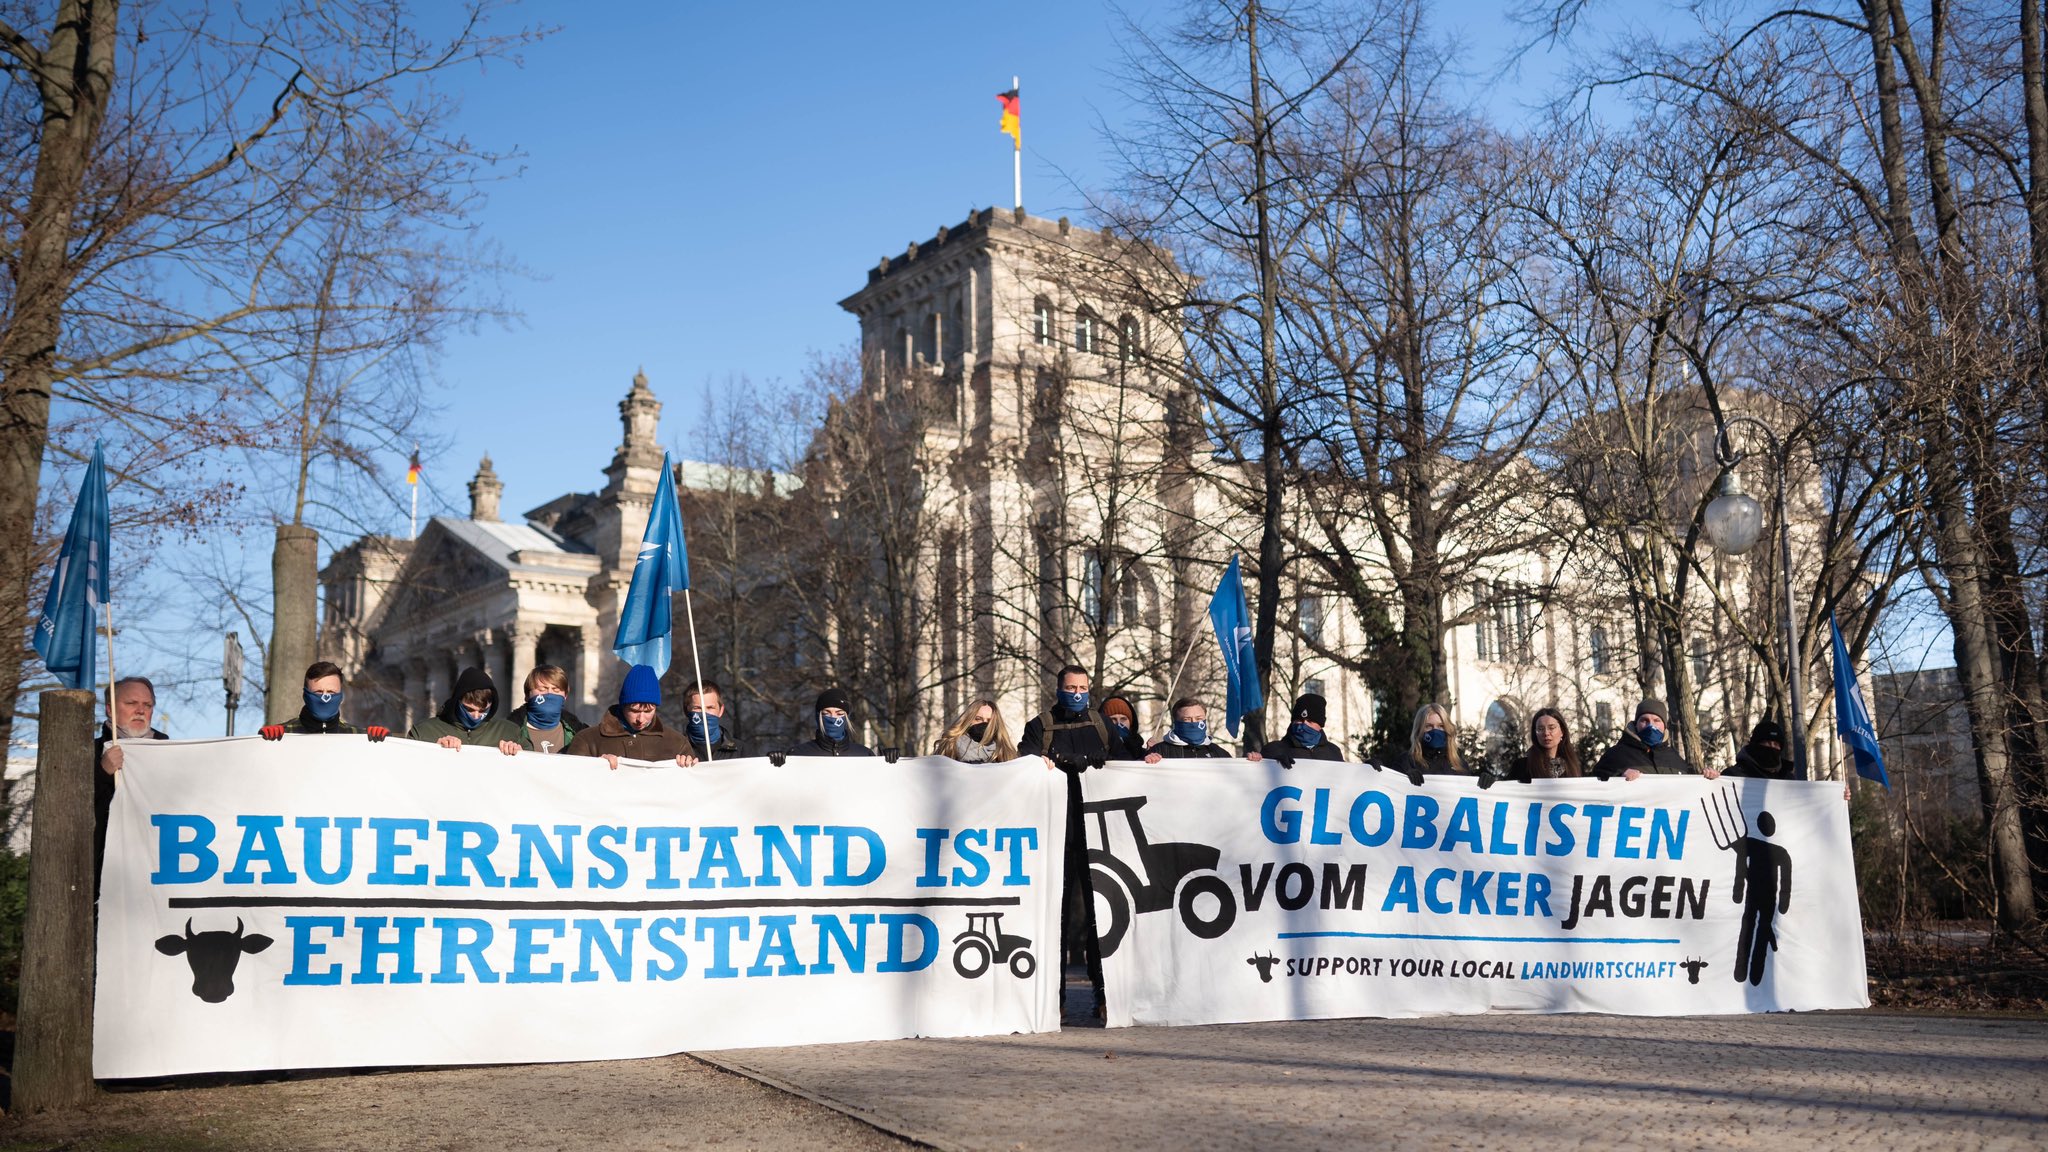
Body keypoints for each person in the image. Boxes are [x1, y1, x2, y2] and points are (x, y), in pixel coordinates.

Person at [95, 675, 168, 895]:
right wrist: (102, 773)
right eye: (131, 703)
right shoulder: (87, 752)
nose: (140, 710)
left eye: (147, 705)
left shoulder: (172, 753)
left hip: (158, 870)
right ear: (110, 709)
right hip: (104, 873)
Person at [564, 664, 694, 768]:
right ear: (623, 705)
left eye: (648, 711)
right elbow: (571, 782)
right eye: (634, 711)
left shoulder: (677, 743)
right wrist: (595, 767)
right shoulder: (587, 740)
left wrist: (687, 766)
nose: (641, 719)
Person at [259, 661, 392, 740]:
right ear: (305, 695)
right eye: (318, 692)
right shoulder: (285, 734)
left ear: (340, 697)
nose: (324, 698)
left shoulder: (356, 737)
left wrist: (381, 743)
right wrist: (265, 742)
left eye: (331, 692)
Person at [1591, 699, 1719, 780]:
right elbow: (1593, 786)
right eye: (1644, 720)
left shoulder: (1676, 759)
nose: (1651, 726)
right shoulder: (1615, 755)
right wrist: (1618, 777)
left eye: (1656, 720)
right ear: (1636, 724)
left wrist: (1708, 779)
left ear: (1664, 726)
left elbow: (1691, 793)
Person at [1017, 665, 1116, 767]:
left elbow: (1126, 762)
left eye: (1083, 688)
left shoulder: (1103, 723)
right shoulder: (1038, 726)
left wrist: (1108, 758)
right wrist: (1059, 758)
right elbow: (1026, 765)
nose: (1077, 694)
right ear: (1059, 691)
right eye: (1071, 687)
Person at [406, 666, 523, 750]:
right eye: (469, 710)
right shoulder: (423, 732)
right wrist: (434, 750)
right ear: (457, 702)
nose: (476, 716)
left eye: (482, 711)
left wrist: (520, 754)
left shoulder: (511, 732)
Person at [1144, 698, 1261, 762]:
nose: (1194, 723)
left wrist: (1252, 764)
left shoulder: (1218, 753)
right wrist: (1148, 761)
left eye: (1198, 719)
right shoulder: (1160, 751)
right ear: (1176, 722)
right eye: (1187, 719)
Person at [504, 665, 585, 755]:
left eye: (556, 690)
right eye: (542, 689)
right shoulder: (507, 732)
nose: (549, 694)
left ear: (565, 696)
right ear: (527, 695)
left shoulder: (582, 737)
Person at [786, 687, 874, 757]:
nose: (833, 718)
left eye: (839, 713)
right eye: (826, 713)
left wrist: (886, 761)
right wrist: (775, 764)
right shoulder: (799, 754)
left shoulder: (864, 754)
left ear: (847, 717)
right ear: (818, 717)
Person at [1260, 693, 1344, 766]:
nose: (1304, 724)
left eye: (1310, 721)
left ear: (1320, 725)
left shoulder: (1333, 751)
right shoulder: (1274, 749)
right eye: (1299, 720)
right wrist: (1263, 761)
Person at [679, 679, 754, 760]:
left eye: (710, 707)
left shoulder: (742, 751)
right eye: (697, 708)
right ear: (686, 711)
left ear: (721, 711)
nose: (704, 714)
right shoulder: (676, 751)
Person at [1388, 703, 1464, 783]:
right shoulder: (1406, 762)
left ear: (1447, 729)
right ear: (1419, 730)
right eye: (1428, 726)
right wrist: (1402, 778)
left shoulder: (1460, 765)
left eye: (1441, 726)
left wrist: (1478, 786)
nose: (1435, 730)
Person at [932, 699, 1017, 763]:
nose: (984, 724)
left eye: (989, 721)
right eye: (978, 719)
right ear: (969, 720)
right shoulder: (950, 746)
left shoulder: (1004, 751)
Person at [1508, 707, 1581, 781]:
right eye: (1540, 729)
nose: (1546, 733)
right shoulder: (1522, 766)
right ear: (1535, 734)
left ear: (1562, 731)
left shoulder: (1573, 765)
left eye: (1551, 728)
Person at [1726, 718, 1797, 780]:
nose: (1772, 747)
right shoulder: (1733, 775)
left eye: (1776, 744)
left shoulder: (1787, 778)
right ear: (1755, 745)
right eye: (1767, 743)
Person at [1099, 694, 1147, 760]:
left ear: (1131, 723)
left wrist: (1153, 750)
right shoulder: (1095, 751)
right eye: (1113, 719)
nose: (1119, 723)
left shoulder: (1144, 754)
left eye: (1123, 719)